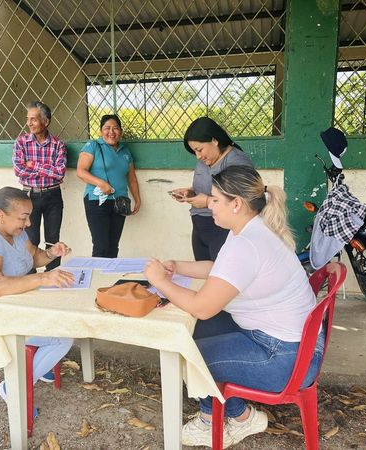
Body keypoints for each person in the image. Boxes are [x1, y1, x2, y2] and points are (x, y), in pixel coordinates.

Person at [145, 166, 322, 448]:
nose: (209, 205)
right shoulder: (251, 228)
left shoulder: (247, 245)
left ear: (236, 204)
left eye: (215, 200)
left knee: (188, 352)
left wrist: (159, 281)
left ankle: (217, 421)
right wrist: (177, 267)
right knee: (195, 332)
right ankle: (239, 416)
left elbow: (202, 307)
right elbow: (221, 269)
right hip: (293, 345)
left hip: (285, 359)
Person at [0, 187, 74, 409]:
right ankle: (13, 388)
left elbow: (33, 258)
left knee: (63, 316)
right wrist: (42, 279)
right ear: (0, 215)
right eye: (23, 217)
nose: (29, 223)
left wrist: (51, 253)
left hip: (13, 309)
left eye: (29, 216)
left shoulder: (16, 232)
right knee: (63, 336)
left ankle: (35, 368)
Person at [169, 117, 254, 262]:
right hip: (200, 228)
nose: (198, 156)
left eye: (199, 149)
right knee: (204, 271)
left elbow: (242, 200)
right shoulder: (205, 161)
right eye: (194, 151)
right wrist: (190, 192)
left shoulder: (236, 161)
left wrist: (208, 201)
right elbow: (209, 188)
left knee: (222, 271)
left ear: (214, 140)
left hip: (223, 230)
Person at [76, 114, 141, 258]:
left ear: (121, 132)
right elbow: (81, 171)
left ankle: (110, 272)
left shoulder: (125, 151)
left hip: (120, 202)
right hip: (97, 201)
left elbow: (131, 178)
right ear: (101, 131)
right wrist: (101, 183)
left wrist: (137, 199)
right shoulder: (93, 146)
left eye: (115, 128)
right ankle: (98, 273)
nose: (111, 132)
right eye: (107, 128)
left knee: (113, 246)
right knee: (101, 246)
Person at [12, 101, 66, 271]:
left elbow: (59, 173)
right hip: (29, 196)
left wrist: (34, 165)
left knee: (52, 239)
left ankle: (53, 276)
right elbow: (19, 171)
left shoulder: (58, 144)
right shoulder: (21, 142)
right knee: (30, 240)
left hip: (53, 195)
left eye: (33, 119)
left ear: (45, 121)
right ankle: (31, 278)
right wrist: (47, 170)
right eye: (28, 119)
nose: (29, 123)